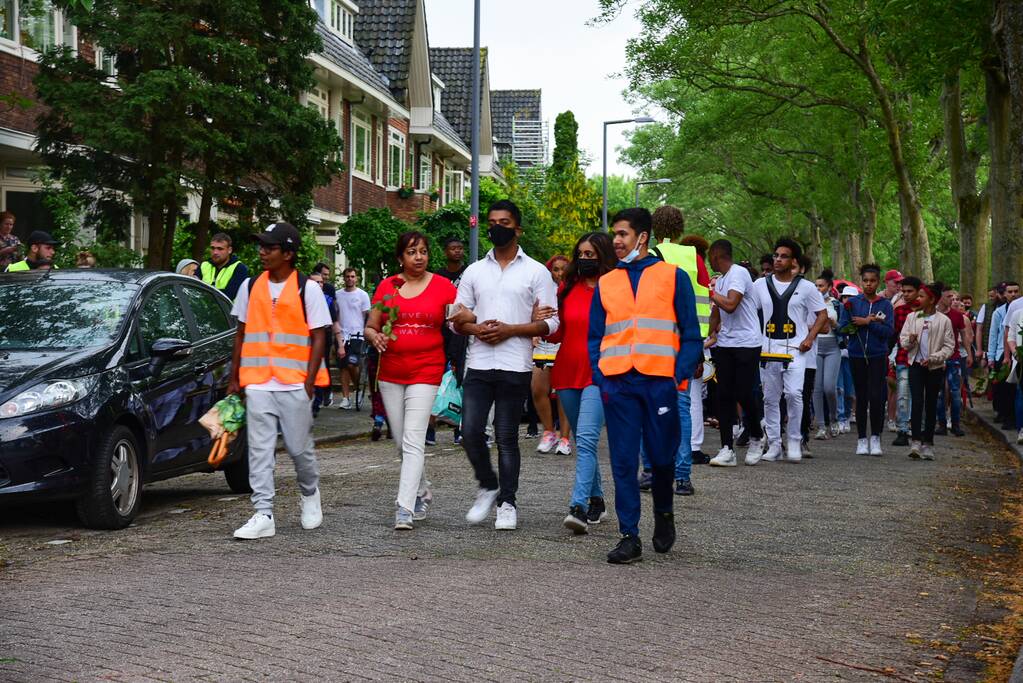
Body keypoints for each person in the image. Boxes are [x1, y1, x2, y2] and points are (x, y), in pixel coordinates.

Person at [588, 207, 702, 564]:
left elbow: (691, 336)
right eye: (614, 235)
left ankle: (665, 513)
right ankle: (629, 536)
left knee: (661, 456)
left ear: (642, 237)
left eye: (622, 234)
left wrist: (676, 376)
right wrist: (601, 376)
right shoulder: (606, 282)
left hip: (660, 383)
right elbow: (594, 337)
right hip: (619, 383)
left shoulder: (674, 276)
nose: (615, 241)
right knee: (622, 461)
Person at [449, 200, 559, 531]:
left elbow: (552, 325)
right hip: (479, 362)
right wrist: (476, 327)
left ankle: (507, 502)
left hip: (515, 363)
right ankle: (488, 483)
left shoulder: (537, 272)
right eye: (493, 221)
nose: (497, 227)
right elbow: (456, 318)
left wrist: (511, 330)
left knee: (506, 436)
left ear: (517, 228)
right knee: (469, 432)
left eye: (505, 222)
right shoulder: (473, 271)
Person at [227, 222, 330, 540]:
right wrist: (235, 377)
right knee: (259, 449)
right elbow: (241, 333)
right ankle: (263, 513)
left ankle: (310, 493)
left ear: (287, 253)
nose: (262, 252)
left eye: (269, 248)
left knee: (299, 450)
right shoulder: (250, 286)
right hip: (258, 380)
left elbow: (319, 336)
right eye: (261, 246)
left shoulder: (307, 289)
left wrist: (309, 380)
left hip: (293, 382)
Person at [365, 231, 457, 530]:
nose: (419, 257)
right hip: (391, 372)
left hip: (426, 370)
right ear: (400, 257)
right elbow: (371, 325)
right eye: (411, 252)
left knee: (414, 438)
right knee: (401, 443)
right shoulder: (388, 286)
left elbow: (460, 319)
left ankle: (403, 508)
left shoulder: (443, 287)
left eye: (423, 251)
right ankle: (422, 490)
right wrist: (374, 335)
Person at [546, 232, 616, 533]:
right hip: (566, 371)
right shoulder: (567, 288)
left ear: (603, 255)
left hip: (599, 373)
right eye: (582, 254)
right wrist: (542, 320)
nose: (585, 259)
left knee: (586, 439)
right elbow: (557, 334)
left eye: (591, 254)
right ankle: (597, 499)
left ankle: (578, 506)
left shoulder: (616, 288)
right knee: (581, 439)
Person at [642, 208, 711, 492]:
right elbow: (704, 299)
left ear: (653, 228)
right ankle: (682, 477)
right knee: (682, 407)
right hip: (688, 341)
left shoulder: (650, 255)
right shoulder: (693, 257)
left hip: (657, 341)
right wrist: (699, 345)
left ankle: (650, 471)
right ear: (681, 228)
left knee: (649, 407)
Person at [751, 238, 827, 462]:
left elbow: (822, 314)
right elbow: (750, 311)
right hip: (767, 348)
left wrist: (810, 338)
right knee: (770, 398)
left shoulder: (806, 287)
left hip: (796, 349)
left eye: (783, 256)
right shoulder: (760, 285)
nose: (778, 259)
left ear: (794, 261)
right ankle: (774, 444)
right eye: (776, 255)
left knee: (794, 394)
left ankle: (795, 439)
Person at [705, 239, 765, 466]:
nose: (709, 261)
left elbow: (730, 304)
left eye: (710, 256)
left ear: (717, 255)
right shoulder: (720, 281)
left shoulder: (739, 273)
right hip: (726, 343)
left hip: (748, 342)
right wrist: (707, 336)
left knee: (743, 392)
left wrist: (710, 293)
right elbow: (717, 314)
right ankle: (726, 449)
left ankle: (757, 435)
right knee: (723, 395)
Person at [838, 264, 895, 456]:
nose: (869, 284)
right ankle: (861, 438)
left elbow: (888, 331)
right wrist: (858, 324)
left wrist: (868, 323)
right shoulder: (852, 303)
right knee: (861, 396)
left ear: (878, 282)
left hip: (878, 355)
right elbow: (843, 328)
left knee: (877, 396)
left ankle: (876, 438)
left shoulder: (885, 305)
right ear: (861, 281)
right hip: (856, 354)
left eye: (872, 281)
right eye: (865, 281)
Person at [900, 283, 955, 459]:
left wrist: (934, 358)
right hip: (915, 364)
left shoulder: (944, 321)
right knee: (916, 401)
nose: (918, 299)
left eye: (922, 296)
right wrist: (911, 340)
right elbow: (903, 342)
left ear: (932, 299)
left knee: (931, 403)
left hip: (934, 367)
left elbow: (949, 346)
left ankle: (928, 443)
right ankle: (915, 441)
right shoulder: (912, 317)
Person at [533, 254, 572, 455]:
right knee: (538, 389)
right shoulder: (542, 290)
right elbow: (531, 313)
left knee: (563, 393)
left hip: (565, 345)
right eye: (555, 269)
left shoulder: (572, 290)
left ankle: (565, 438)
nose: (559, 273)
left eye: (563, 269)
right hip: (544, 344)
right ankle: (549, 432)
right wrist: (533, 330)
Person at [935, 286, 973, 436]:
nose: (952, 299)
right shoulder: (933, 315)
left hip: (955, 358)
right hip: (937, 359)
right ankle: (942, 424)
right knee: (940, 393)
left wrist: (969, 354)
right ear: (940, 297)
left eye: (953, 296)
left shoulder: (957, 316)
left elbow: (964, 336)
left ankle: (956, 424)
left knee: (955, 392)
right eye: (948, 296)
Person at [891, 276, 922, 446]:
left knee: (918, 395)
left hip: (922, 359)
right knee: (902, 394)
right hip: (903, 357)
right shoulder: (899, 311)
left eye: (910, 291)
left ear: (918, 292)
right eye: (904, 291)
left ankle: (918, 428)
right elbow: (893, 334)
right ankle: (902, 429)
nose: (907, 295)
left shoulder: (926, 311)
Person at [336, 267, 371, 410]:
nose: (350, 279)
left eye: (352, 276)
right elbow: (335, 315)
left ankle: (357, 387)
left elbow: (367, 315)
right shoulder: (338, 294)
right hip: (342, 335)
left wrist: (366, 333)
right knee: (343, 367)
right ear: (344, 278)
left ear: (356, 278)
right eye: (347, 276)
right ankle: (345, 398)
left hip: (358, 334)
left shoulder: (362, 295)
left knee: (352, 364)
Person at [812, 270, 841, 440]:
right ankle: (821, 426)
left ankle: (834, 419)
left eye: (821, 286)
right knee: (817, 388)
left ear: (829, 287)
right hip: (815, 346)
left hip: (833, 348)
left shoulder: (837, 305)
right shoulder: (810, 304)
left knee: (829, 387)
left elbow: (844, 328)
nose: (817, 289)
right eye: (815, 286)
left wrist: (835, 324)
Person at [988, 282, 1020, 428]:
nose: (1013, 294)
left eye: (1016, 291)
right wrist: (991, 356)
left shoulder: (1019, 306)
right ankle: (1005, 414)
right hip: (1004, 351)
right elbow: (995, 334)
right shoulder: (999, 312)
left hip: (1016, 349)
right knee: (1004, 387)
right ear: (1004, 294)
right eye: (1010, 292)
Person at [312, 263, 338, 409]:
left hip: (326, 330)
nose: (326, 278)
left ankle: (326, 392)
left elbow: (334, 311)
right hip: (311, 331)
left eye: (327, 276)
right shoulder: (308, 290)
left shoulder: (329, 289)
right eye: (324, 275)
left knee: (324, 362)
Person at [200, 232, 249, 300]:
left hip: (228, 310)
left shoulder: (239, 268)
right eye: (212, 248)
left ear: (229, 250)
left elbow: (228, 296)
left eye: (220, 249)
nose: (215, 252)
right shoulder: (204, 265)